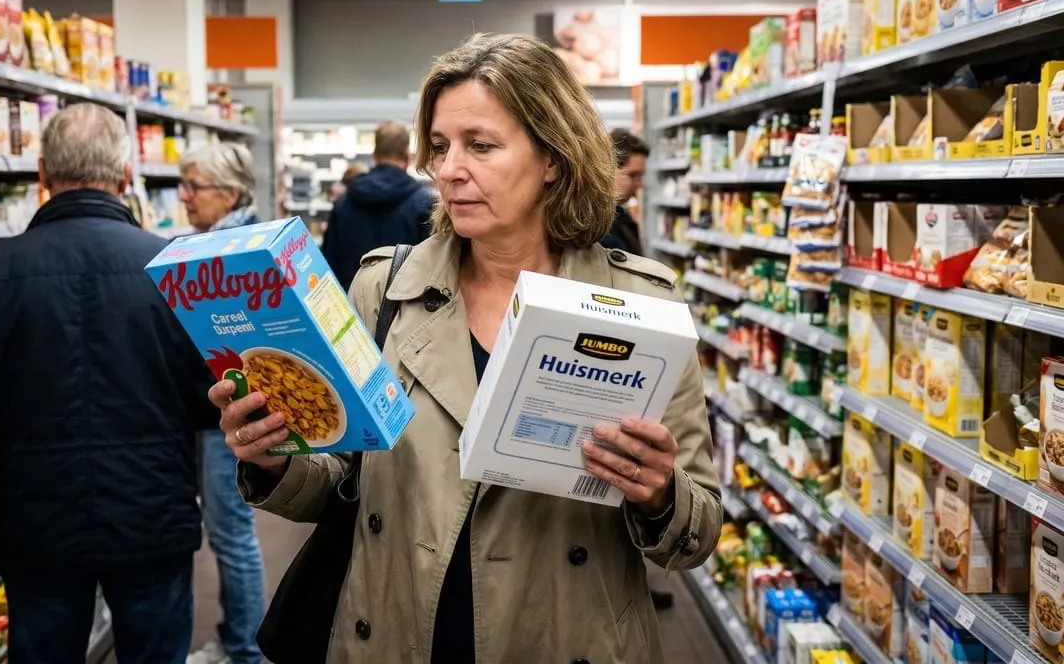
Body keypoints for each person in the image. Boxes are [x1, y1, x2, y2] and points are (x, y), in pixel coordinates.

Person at [211, 33, 722, 663]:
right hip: (398, 631)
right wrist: (274, 456)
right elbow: (340, 479)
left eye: (481, 146)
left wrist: (659, 493)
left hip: (563, 636)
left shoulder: (642, 305)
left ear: (553, 157)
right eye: (440, 146)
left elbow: (696, 534)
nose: (450, 169)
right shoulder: (386, 289)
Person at [0, 103, 218, 664]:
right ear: (127, 175)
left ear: (42, 174)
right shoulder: (174, 266)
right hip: (152, 514)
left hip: (36, 523)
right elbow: (210, 399)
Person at [177, 143, 268, 664]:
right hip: (219, 413)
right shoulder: (217, 241)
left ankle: (246, 649)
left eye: (195, 186)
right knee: (232, 531)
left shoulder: (233, 249)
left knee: (233, 535)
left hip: (228, 418)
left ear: (229, 193)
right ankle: (239, 637)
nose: (185, 196)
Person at [320, 120, 433, 289]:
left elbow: (328, 263)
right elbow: (431, 266)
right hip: (404, 309)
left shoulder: (344, 202)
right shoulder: (423, 203)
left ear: (375, 155)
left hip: (352, 306)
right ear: (407, 157)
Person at [601, 128, 649, 256]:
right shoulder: (591, 226)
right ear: (607, 168)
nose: (640, 184)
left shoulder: (621, 216)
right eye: (633, 175)